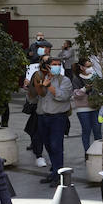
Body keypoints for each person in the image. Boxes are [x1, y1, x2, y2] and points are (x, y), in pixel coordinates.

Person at [29, 55, 73, 185]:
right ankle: (54, 171)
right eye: (54, 64)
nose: (56, 67)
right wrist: (34, 86)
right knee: (48, 145)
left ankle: (59, 175)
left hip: (58, 118)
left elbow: (63, 96)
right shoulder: (41, 77)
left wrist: (49, 87)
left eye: (58, 65)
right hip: (42, 117)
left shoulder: (64, 80)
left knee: (56, 146)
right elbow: (34, 98)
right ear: (47, 66)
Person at [72, 57, 102, 153]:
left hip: (95, 107)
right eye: (88, 66)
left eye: (91, 66)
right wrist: (85, 89)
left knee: (97, 130)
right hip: (83, 109)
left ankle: (98, 151)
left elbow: (101, 91)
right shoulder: (77, 79)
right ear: (81, 67)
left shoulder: (95, 76)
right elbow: (76, 95)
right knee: (86, 130)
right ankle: (87, 152)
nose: (90, 68)